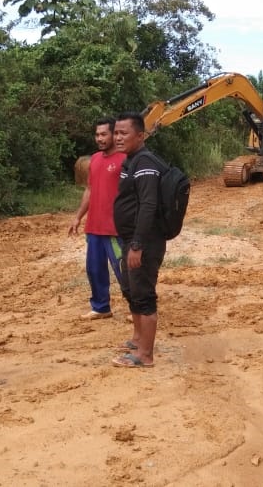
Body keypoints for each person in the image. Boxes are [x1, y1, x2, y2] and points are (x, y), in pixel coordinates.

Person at [110, 111, 168, 368]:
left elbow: (148, 206)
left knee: (144, 295)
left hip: (143, 243)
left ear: (140, 136)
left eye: (124, 133)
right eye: (116, 133)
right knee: (132, 291)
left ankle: (145, 355)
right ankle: (138, 341)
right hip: (131, 240)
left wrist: (137, 245)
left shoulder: (145, 163)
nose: (118, 137)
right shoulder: (132, 160)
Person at [68, 117, 126, 320]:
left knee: (123, 271)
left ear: (113, 134)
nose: (99, 139)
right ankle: (101, 307)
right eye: (97, 135)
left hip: (115, 229)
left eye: (104, 134)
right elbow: (89, 190)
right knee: (94, 270)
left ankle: (137, 308)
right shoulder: (94, 160)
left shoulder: (125, 159)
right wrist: (78, 218)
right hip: (94, 227)